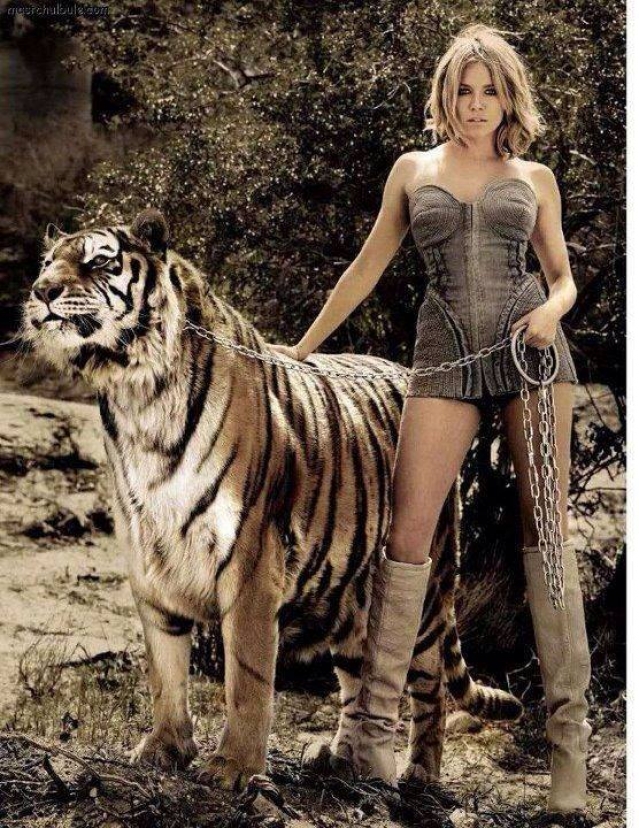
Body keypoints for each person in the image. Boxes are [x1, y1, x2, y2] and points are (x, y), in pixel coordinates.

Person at [271, 23, 592, 823]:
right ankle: (374, 742)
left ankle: (568, 759)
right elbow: (366, 266)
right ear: (444, 96)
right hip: (444, 356)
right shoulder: (413, 171)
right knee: (405, 538)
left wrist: (551, 312)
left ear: (508, 99)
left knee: (547, 536)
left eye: (489, 91)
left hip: (531, 358)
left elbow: (562, 278)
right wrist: (302, 349)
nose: (475, 104)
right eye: (463, 90)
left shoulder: (534, 177)